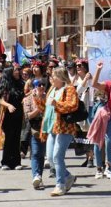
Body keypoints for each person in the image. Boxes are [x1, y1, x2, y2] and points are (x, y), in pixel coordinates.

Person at [40, 67, 78, 196]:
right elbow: (46, 107)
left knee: (57, 157)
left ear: (61, 77)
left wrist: (57, 104)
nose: (51, 78)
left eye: (54, 76)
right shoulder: (52, 89)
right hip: (52, 127)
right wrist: (38, 98)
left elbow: (72, 105)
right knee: (50, 158)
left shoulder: (69, 89)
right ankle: (68, 176)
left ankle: (60, 185)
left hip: (64, 127)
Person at [0, 66, 25, 170]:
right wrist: (8, 105)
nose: (18, 72)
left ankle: (16, 162)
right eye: (15, 70)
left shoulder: (21, 83)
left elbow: (24, 95)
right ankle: (6, 162)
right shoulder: (5, 84)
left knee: (17, 138)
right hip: (7, 115)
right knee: (9, 138)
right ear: (10, 73)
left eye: (18, 70)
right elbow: (0, 100)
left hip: (19, 114)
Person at [23, 79, 46, 189]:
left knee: (42, 154)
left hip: (47, 129)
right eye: (38, 85)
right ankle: (36, 175)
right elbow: (29, 115)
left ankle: (39, 176)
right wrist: (39, 107)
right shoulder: (28, 99)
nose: (41, 87)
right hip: (35, 129)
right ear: (34, 88)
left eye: (43, 85)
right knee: (36, 153)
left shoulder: (49, 97)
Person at [75, 59, 95, 168]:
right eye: (76, 65)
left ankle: (91, 157)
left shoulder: (92, 79)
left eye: (80, 65)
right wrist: (84, 80)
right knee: (84, 133)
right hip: (82, 108)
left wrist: (90, 79)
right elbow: (78, 91)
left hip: (91, 106)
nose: (77, 67)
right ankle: (88, 157)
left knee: (90, 132)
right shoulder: (78, 80)